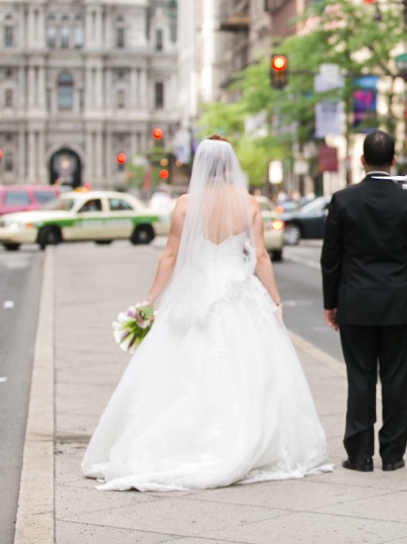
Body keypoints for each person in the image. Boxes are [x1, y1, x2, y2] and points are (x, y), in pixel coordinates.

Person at [82, 136, 332, 491]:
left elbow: (170, 256)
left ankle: (181, 441)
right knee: (251, 371)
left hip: (194, 291)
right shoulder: (248, 204)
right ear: (231, 166)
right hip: (238, 290)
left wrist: (150, 301)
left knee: (180, 370)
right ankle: (244, 438)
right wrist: (275, 300)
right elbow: (260, 257)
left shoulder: (186, 205)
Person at [320, 130, 407, 473]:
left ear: (362, 161)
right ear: (394, 160)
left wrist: (331, 302)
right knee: (397, 379)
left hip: (355, 302)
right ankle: (393, 454)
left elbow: (331, 258)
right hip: (399, 302)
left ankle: (359, 454)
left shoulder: (343, 200)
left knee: (360, 377)